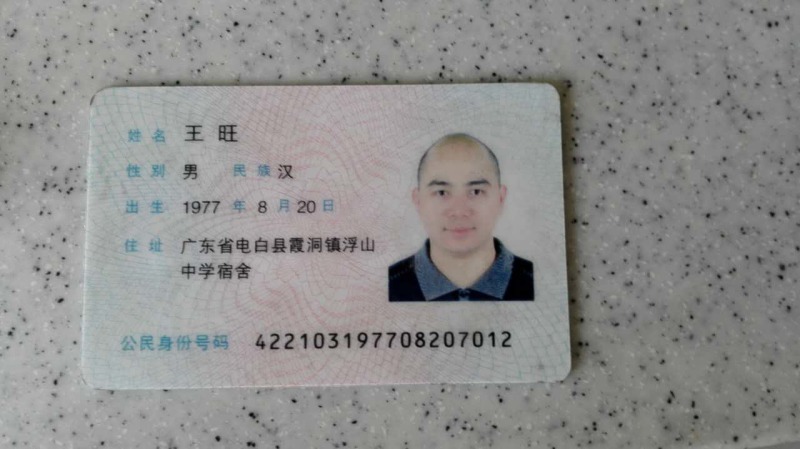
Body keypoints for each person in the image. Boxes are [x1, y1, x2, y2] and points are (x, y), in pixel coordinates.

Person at [388, 133, 534, 302]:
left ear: (500, 199)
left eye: (476, 192)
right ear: (418, 201)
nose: (459, 211)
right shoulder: (387, 285)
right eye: (442, 192)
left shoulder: (539, 281)